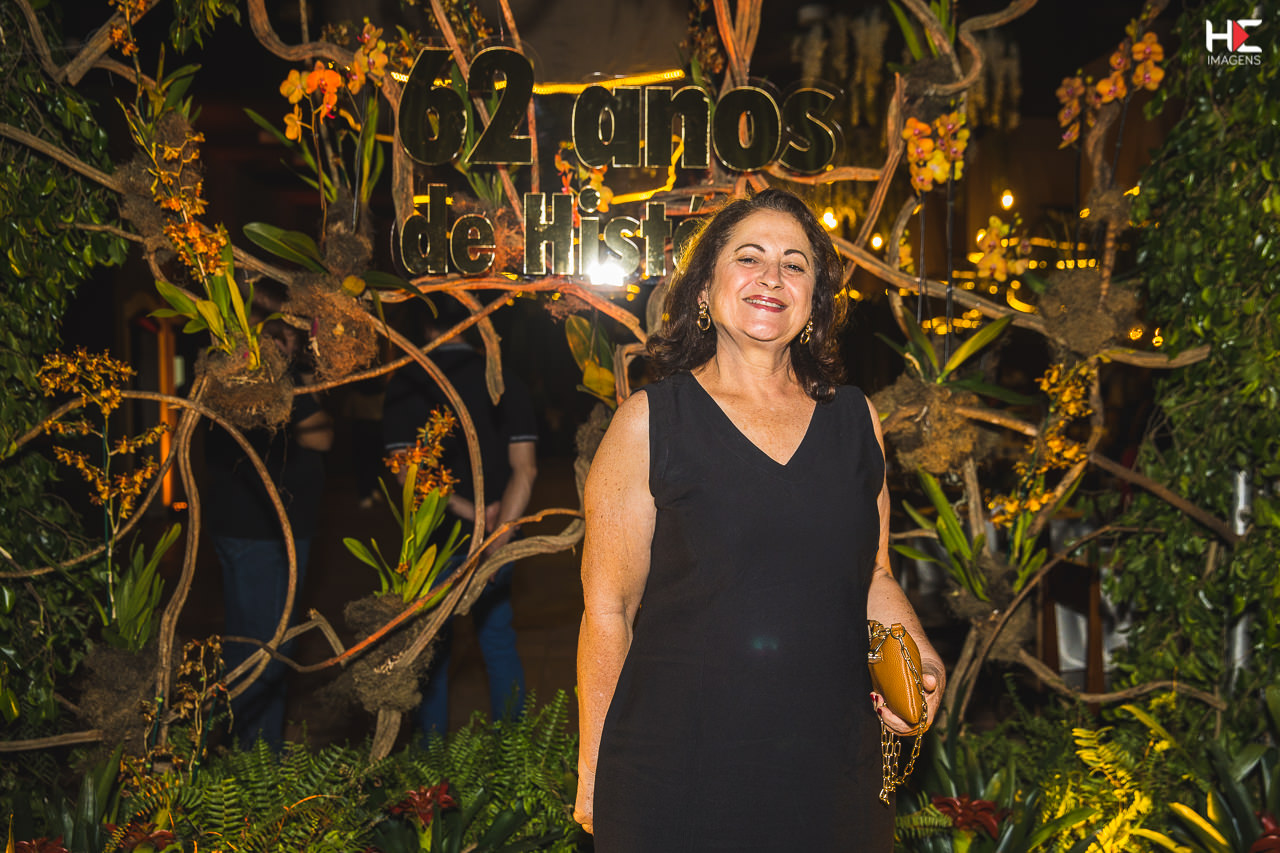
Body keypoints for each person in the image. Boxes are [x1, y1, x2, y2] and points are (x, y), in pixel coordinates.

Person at [574, 188, 946, 850]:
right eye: (749, 258)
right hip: (677, 774)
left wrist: (917, 653)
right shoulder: (650, 422)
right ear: (704, 289)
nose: (772, 277)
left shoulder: (855, 420)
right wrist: (593, 770)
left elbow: (875, 573)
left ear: (814, 301)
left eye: (794, 264)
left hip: (833, 773)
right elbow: (608, 610)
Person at [383, 302, 539, 738]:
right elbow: (526, 470)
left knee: (432, 650)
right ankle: (512, 754)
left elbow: (406, 475)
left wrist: (470, 514)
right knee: (498, 641)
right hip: (497, 536)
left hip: (432, 542)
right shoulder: (503, 379)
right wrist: (498, 531)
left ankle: (431, 763)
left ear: (425, 326)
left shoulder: (407, 383)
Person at [205, 309, 333, 751]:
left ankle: (235, 746)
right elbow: (322, 436)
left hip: (236, 526)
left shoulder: (223, 372)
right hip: (268, 534)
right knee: (268, 649)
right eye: (289, 337)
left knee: (244, 641)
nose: (294, 346)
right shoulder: (269, 379)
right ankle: (260, 759)